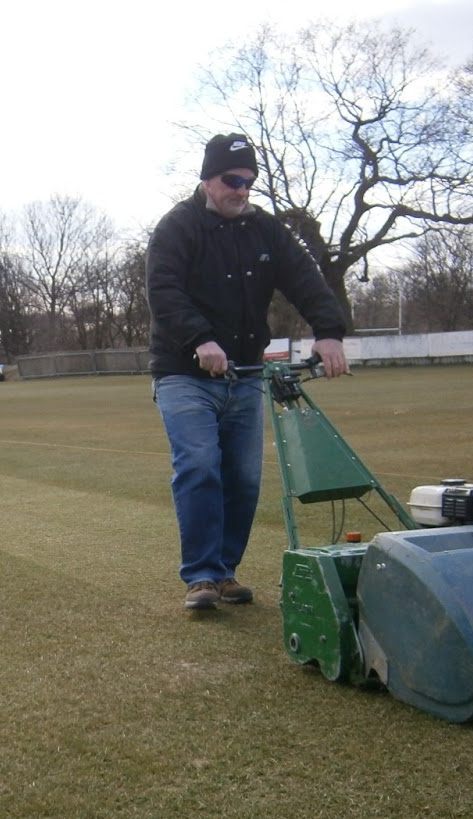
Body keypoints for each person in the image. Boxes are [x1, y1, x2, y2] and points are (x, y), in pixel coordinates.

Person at [148, 132, 348, 611]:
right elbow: (164, 290)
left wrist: (330, 330)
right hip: (184, 373)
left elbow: (304, 276)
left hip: (244, 374)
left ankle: (224, 572)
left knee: (243, 476)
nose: (241, 189)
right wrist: (200, 338)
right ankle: (200, 577)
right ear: (208, 179)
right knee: (199, 465)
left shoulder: (266, 231)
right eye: (232, 179)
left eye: (249, 181)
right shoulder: (178, 226)